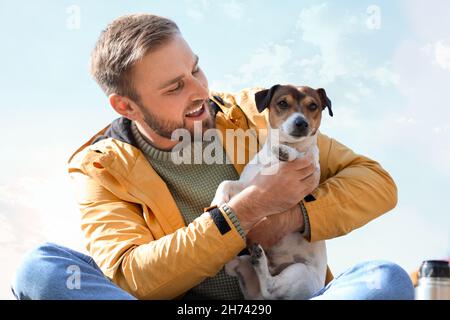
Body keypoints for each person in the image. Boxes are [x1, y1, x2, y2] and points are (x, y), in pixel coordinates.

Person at [11, 13, 414, 300]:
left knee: (384, 280)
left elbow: (376, 182)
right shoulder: (101, 168)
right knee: (41, 268)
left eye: (196, 70)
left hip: (285, 295)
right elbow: (134, 276)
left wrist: (292, 217)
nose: (199, 92)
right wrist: (247, 209)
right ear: (126, 107)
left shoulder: (259, 117)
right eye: (174, 88)